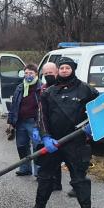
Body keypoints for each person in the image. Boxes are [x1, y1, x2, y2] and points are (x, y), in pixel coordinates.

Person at [23, 57, 99, 208]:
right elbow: (42, 116)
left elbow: (99, 109)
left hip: (75, 142)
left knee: (79, 180)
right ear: (58, 71)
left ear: (73, 69)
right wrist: (45, 137)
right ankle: (39, 206)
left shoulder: (85, 90)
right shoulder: (49, 92)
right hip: (54, 142)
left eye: (67, 68)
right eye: (62, 68)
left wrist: (90, 126)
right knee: (45, 176)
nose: (64, 70)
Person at [33, 62, 72, 192]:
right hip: (47, 130)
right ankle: (54, 183)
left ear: (57, 72)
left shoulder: (63, 87)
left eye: (51, 73)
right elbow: (40, 110)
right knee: (51, 158)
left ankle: (75, 186)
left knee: (71, 160)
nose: (49, 75)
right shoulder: (43, 88)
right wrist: (37, 128)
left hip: (65, 130)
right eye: (46, 74)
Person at [7, 63, 41, 176]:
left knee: (37, 147)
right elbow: (14, 105)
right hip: (20, 121)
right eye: (26, 73)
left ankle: (39, 171)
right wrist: (10, 122)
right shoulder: (20, 87)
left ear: (36, 74)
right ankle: (25, 168)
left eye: (30, 73)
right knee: (21, 146)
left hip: (34, 122)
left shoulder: (41, 88)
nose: (28, 75)